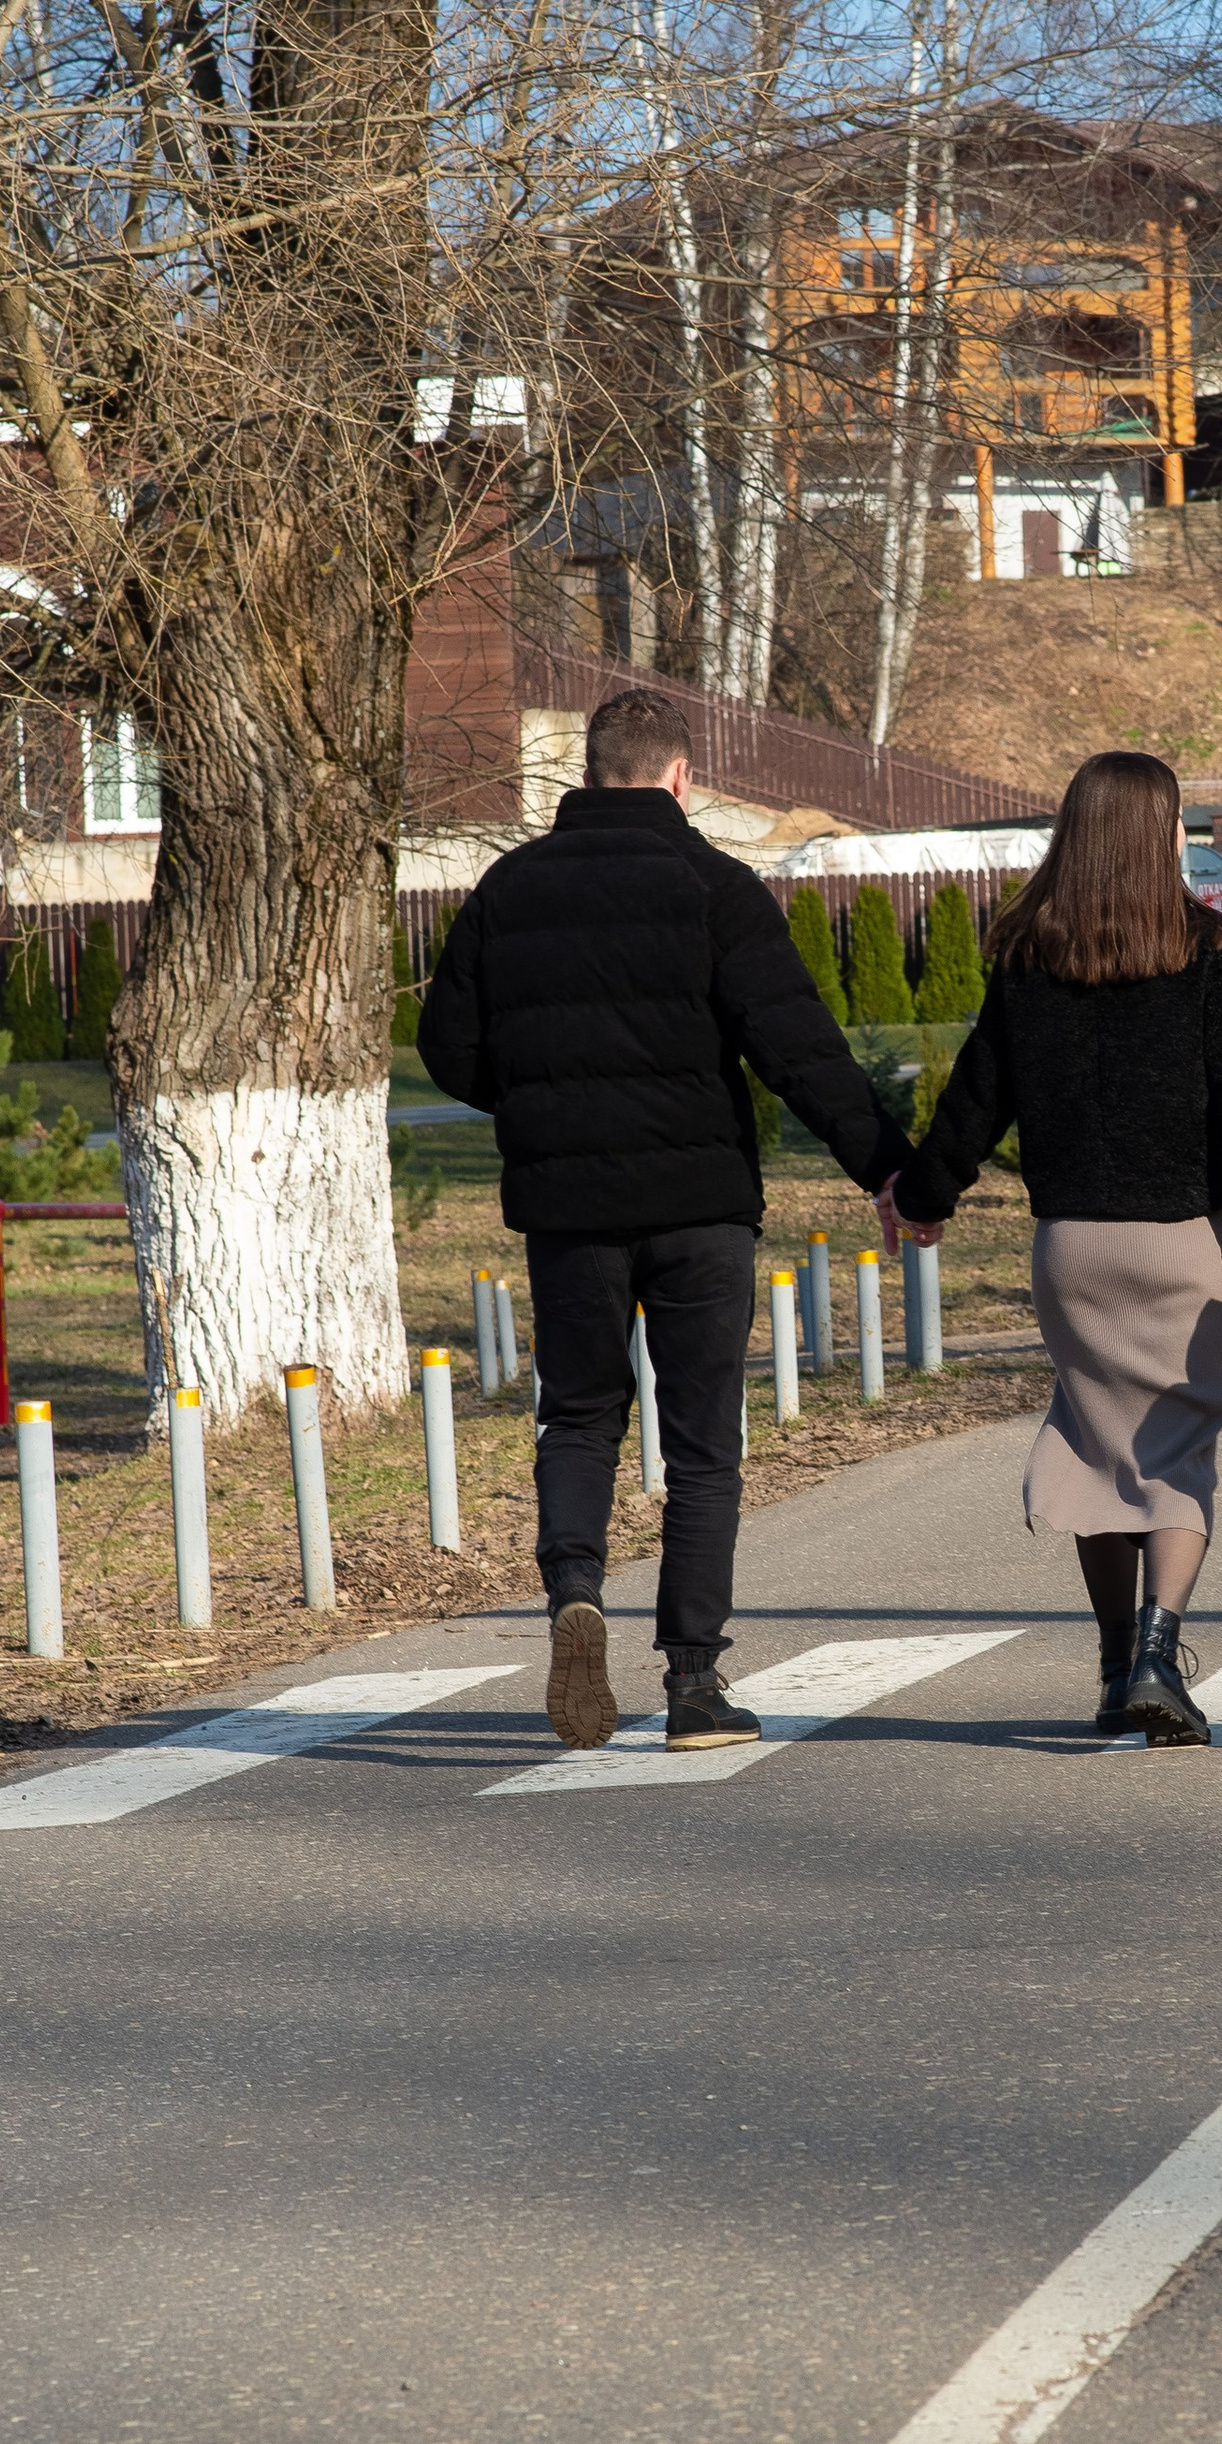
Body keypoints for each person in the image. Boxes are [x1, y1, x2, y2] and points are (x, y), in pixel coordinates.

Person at [418, 682, 906, 1752]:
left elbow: (447, 1048)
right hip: (701, 1209)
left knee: (579, 1416)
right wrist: (889, 1171)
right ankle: (693, 1683)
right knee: (701, 1445)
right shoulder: (716, 886)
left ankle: (575, 1594)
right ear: (682, 778)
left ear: (587, 774)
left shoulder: (509, 887)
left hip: (568, 1212)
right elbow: (798, 1048)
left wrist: (545, 1103)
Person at [887, 749, 1222, 1746]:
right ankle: (1159, 1658)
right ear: (1152, 833)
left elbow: (975, 1098)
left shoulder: (1027, 953)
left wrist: (922, 1196)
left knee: (1098, 1446)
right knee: (1174, 1450)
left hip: (1070, 1251)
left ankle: (1113, 1666)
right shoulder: (1205, 948)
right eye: (1175, 822)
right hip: (1176, 1246)